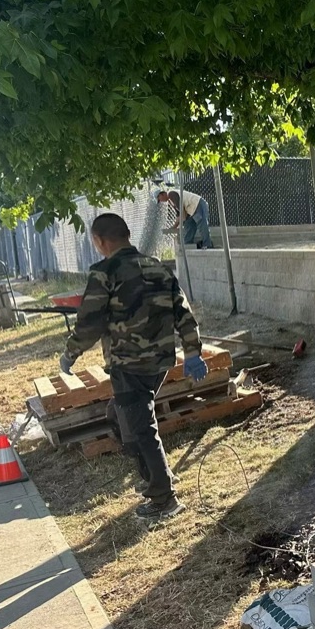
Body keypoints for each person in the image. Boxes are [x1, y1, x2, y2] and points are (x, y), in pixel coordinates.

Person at [60, 213, 208, 520]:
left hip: (128, 363)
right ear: (128, 234)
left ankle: (164, 498)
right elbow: (183, 313)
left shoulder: (105, 272)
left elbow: (89, 322)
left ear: (100, 241)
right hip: (159, 362)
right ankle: (152, 476)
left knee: (141, 428)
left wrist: (70, 354)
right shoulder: (157, 267)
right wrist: (192, 352)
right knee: (120, 414)